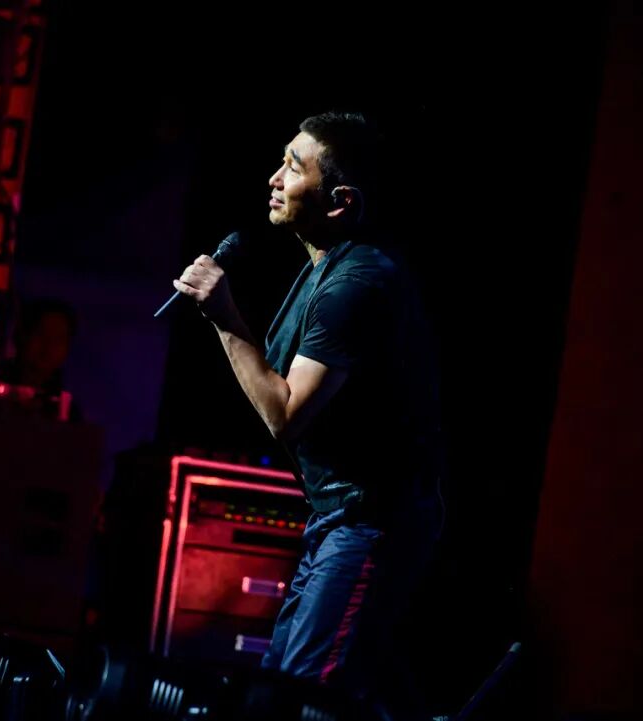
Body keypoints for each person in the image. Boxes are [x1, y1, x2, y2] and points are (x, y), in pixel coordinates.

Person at [170, 111, 442, 717]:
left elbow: (286, 413)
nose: (274, 178)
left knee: (301, 698)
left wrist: (223, 315)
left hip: (369, 521)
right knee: (285, 686)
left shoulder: (355, 285)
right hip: (339, 517)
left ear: (341, 201)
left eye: (294, 167)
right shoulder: (325, 269)